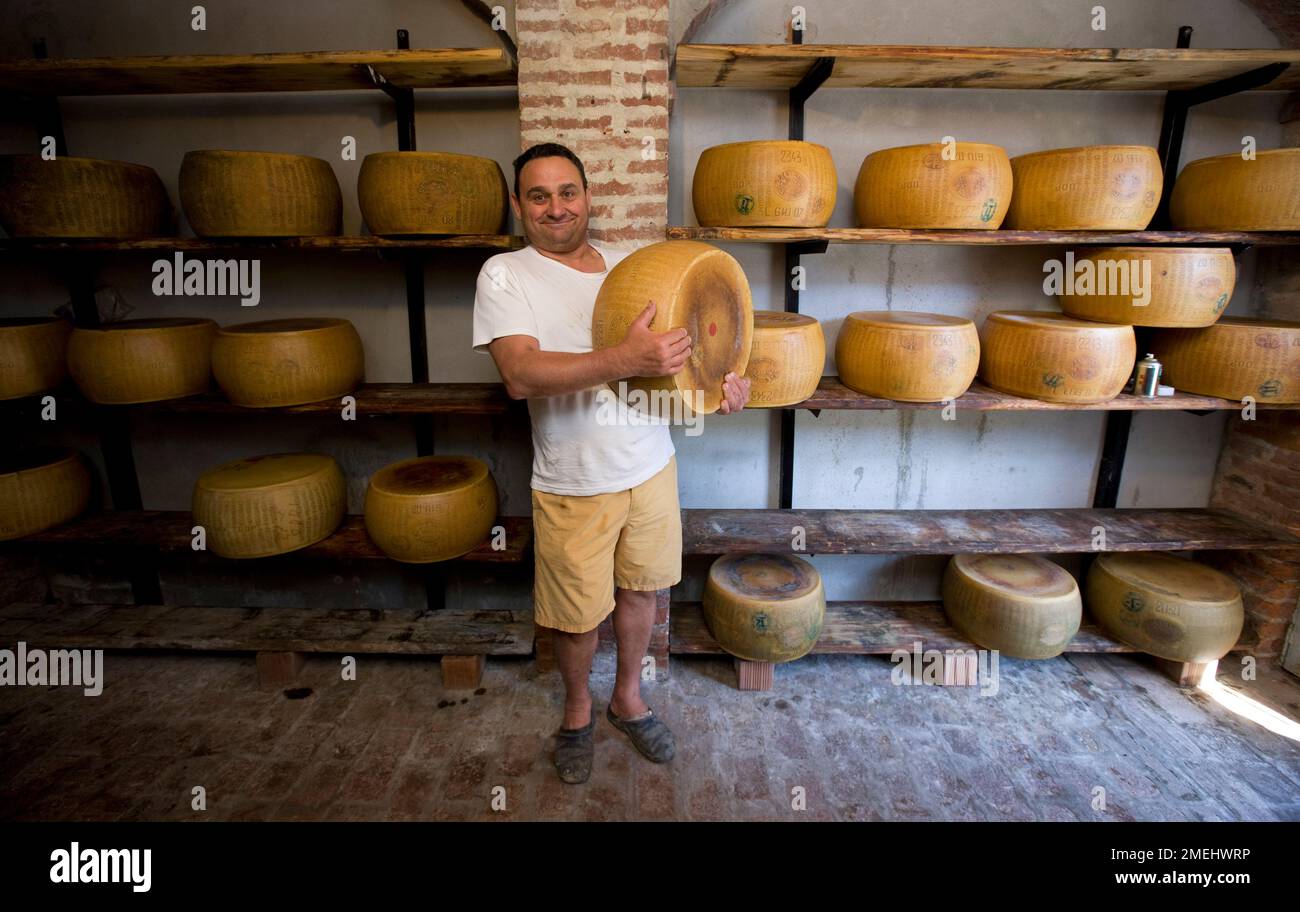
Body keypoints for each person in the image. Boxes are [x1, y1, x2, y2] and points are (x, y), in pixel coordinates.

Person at [472, 142, 751, 784]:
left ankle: (627, 699)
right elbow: (520, 374)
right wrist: (623, 359)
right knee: (575, 619)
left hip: (651, 466)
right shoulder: (505, 274)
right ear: (518, 205)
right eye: (538, 196)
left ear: (588, 195)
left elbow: (679, 364)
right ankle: (576, 713)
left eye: (567, 192)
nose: (556, 208)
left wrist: (721, 389)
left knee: (643, 591)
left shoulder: (631, 267)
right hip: (575, 480)